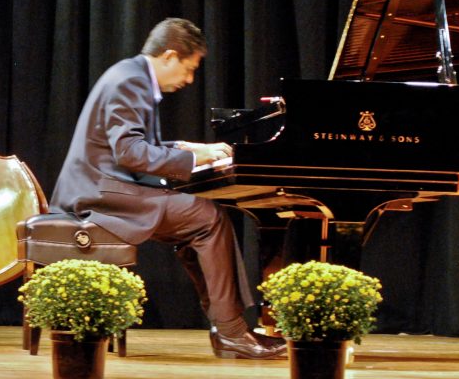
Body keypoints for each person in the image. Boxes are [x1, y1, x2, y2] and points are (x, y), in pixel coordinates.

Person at [50, 18, 286, 360]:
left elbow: (136, 145)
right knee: (208, 218)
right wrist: (190, 158)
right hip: (100, 193)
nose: (189, 80)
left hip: (104, 185)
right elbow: (129, 152)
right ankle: (232, 331)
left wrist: (190, 148)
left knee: (197, 222)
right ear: (170, 55)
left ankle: (227, 328)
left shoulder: (129, 74)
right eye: (189, 69)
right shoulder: (132, 81)